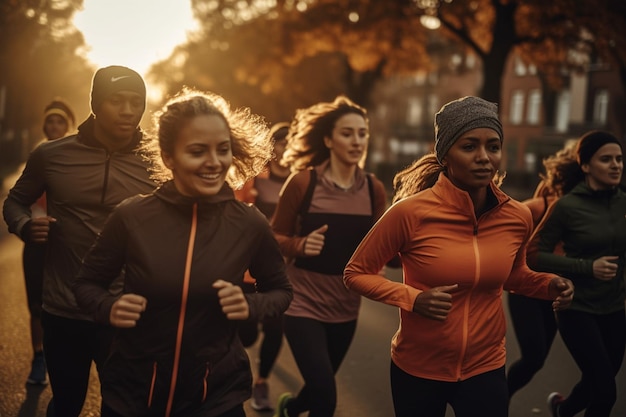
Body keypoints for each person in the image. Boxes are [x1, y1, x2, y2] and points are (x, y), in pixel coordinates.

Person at [343, 96, 574, 417]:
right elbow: (356, 273)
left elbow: (514, 275)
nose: (484, 157)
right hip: (418, 368)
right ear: (445, 154)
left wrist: (550, 284)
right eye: (469, 147)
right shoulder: (410, 213)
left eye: (493, 147)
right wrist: (412, 298)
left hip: (486, 366)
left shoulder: (517, 216)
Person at [73, 87, 293, 417]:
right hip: (133, 393)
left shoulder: (249, 223)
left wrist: (250, 305)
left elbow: (282, 291)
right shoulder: (131, 216)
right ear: (168, 157)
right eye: (197, 151)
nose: (214, 162)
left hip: (216, 395)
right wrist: (108, 307)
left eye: (223, 150)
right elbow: (86, 284)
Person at [3, 65, 156, 417]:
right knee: (67, 404)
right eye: (117, 100)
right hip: (64, 307)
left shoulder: (158, 160)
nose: (129, 110)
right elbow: (15, 200)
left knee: (124, 408)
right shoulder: (52, 155)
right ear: (96, 103)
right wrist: (25, 226)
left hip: (127, 308)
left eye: (136, 101)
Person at [270, 95, 388, 417]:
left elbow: (385, 245)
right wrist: (298, 245)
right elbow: (273, 236)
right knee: (326, 397)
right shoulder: (303, 182)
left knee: (318, 387)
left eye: (362, 133)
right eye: (347, 133)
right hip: (302, 301)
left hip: (346, 305)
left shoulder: (372, 189)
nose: (357, 141)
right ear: (328, 139)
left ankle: (290, 408)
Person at [527, 130, 626, 417]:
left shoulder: (623, 204)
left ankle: (562, 409)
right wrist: (587, 267)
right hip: (576, 307)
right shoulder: (567, 206)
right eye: (606, 159)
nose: (616, 165)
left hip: (613, 308)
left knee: (597, 382)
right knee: (606, 393)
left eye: (619, 159)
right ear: (585, 166)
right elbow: (534, 256)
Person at [506, 140, 580, 399]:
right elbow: (505, 230)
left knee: (536, 362)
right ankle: (494, 401)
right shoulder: (539, 206)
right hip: (525, 291)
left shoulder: (585, 213)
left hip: (553, 293)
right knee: (533, 356)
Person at [234, 122, 291, 411]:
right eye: (281, 143)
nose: (285, 148)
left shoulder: (301, 182)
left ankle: (262, 382)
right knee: (246, 334)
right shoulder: (254, 179)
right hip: (246, 267)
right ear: (272, 147)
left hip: (280, 270)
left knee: (275, 327)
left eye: (290, 143)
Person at [22, 98, 76, 386]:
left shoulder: (75, 159)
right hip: (37, 241)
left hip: (69, 244)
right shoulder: (36, 156)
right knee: (36, 305)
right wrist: (27, 223)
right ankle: (38, 358)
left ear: (68, 125)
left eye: (59, 121)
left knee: (68, 304)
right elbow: (18, 201)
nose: (54, 126)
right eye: (50, 121)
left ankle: (66, 362)